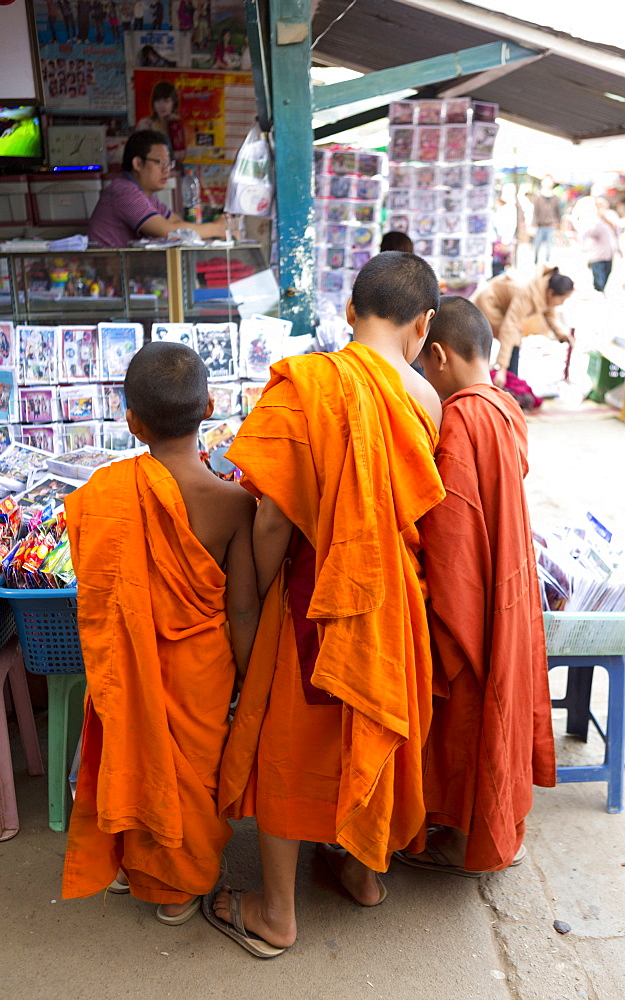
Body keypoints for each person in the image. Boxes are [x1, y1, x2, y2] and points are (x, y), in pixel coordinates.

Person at [206, 252, 445, 957]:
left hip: (316, 587)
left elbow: (274, 519)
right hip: (390, 595)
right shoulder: (425, 397)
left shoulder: (307, 384)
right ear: (422, 324)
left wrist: (258, 592)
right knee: (369, 719)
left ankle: (276, 913)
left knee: (287, 742)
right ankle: (361, 870)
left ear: (347, 311)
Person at [62, 342, 259, 924]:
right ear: (211, 407)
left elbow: (101, 592)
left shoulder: (102, 494)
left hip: (130, 659)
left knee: (134, 751)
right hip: (202, 668)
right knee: (191, 773)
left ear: (131, 421)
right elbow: (242, 609)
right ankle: (181, 884)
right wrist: (247, 677)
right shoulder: (232, 503)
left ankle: (136, 863)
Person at [394, 297, 556, 876]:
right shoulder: (506, 408)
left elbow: (452, 535)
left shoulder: (461, 418)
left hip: (475, 595)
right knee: (498, 712)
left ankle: (465, 842)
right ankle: (485, 829)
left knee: (467, 713)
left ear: (436, 356)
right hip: (507, 584)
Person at [87, 131, 226, 248]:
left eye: (168, 164)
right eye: (160, 163)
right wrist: (218, 228)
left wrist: (212, 235)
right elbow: (168, 231)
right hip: (107, 274)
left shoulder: (147, 196)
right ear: (137, 164)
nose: (166, 170)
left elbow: (176, 223)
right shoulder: (123, 191)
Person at [471, 266, 574, 389]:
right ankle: (505, 380)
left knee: (514, 340)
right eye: (561, 299)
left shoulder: (545, 288)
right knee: (512, 338)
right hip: (489, 302)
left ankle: (509, 381)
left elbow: (550, 314)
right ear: (551, 293)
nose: (561, 303)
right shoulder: (528, 293)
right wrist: (502, 369)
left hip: (500, 305)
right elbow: (509, 328)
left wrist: (562, 335)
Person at [580, 194, 621, 294]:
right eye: (598, 204)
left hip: (609, 253)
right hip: (596, 254)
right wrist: (597, 220)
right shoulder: (592, 216)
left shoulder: (612, 215)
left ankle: (601, 292)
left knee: (606, 274)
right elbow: (588, 233)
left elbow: (617, 230)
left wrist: (604, 218)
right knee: (598, 279)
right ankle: (599, 294)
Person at [530, 175, 561, 265]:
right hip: (540, 225)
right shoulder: (537, 197)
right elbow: (535, 212)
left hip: (551, 225)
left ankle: (547, 263)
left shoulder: (555, 198)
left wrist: (557, 224)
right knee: (537, 245)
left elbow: (557, 211)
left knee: (549, 245)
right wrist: (533, 225)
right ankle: (535, 262)